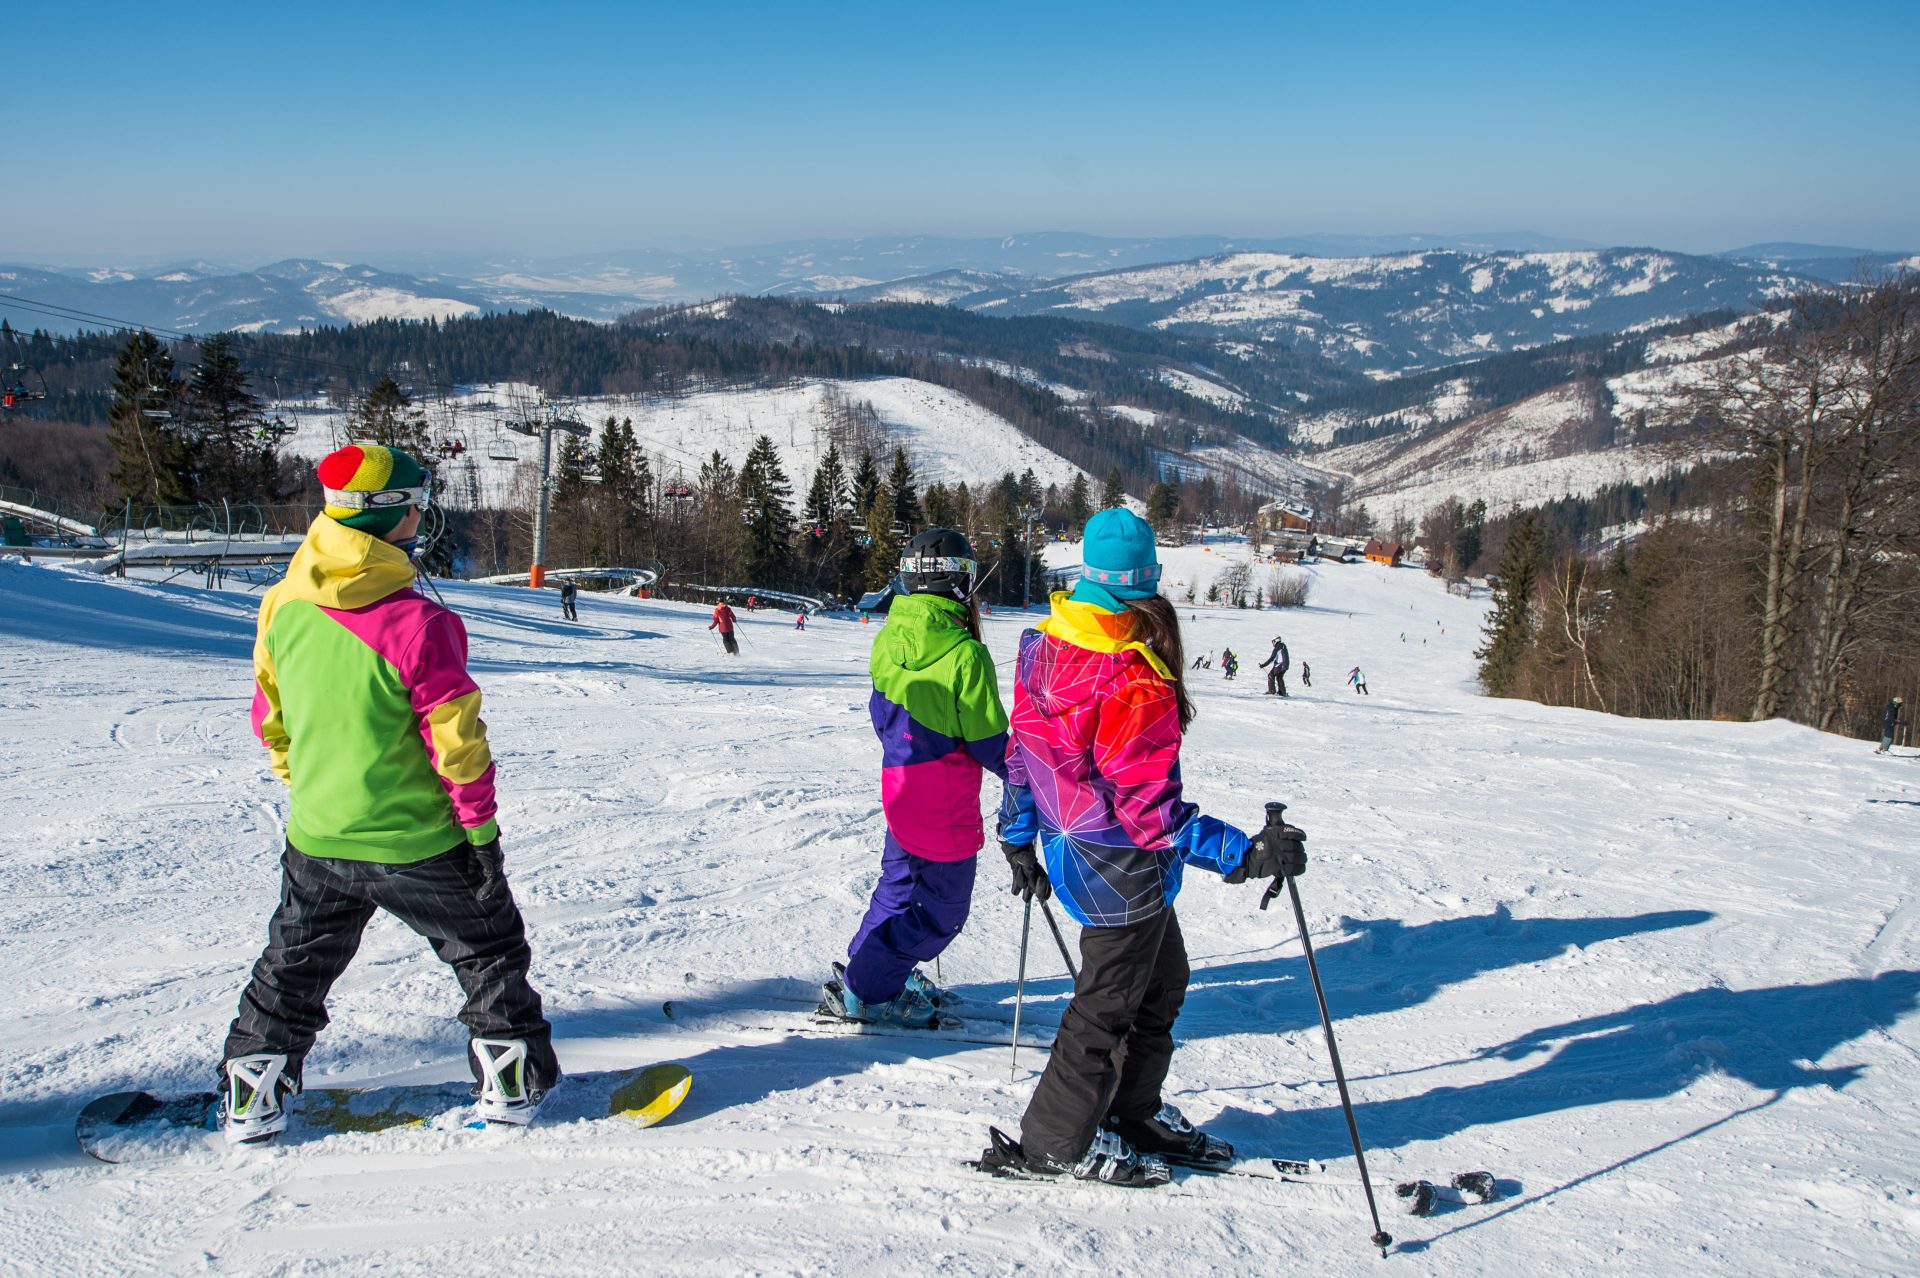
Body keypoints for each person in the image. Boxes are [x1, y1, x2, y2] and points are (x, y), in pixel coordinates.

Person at [221, 444, 559, 1145]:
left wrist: (313, 789)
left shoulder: (282, 604)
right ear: (388, 515)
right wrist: (480, 835)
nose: (420, 515)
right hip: (417, 839)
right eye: (415, 503)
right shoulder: (419, 624)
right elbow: (456, 744)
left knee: (293, 964)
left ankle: (252, 1089)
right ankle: (510, 1079)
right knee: (487, 948)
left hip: (318, 834)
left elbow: (270, 718)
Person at [984, 508, 1306, 1187]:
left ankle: (1131, 1112)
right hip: (1122, 869)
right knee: (1105, 1006)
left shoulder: (1043, 644)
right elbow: (1149, 812)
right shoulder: (1132, 677)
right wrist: (1242, 856)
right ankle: (1054, 1142)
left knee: (1161, 984)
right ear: (1145, 584)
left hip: (1092, 858)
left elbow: (1021, 752)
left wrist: (1017, 835)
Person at [820, 528, 1007, 1028]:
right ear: (959, 582)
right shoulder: (966, 654)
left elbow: (883, 712)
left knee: (898, 886)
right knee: (941, 912)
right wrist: (1029, 769)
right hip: (943, 807)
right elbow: (989, 742)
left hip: (902, 793)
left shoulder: (889, 636)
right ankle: (869, 987)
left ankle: (868, 965)